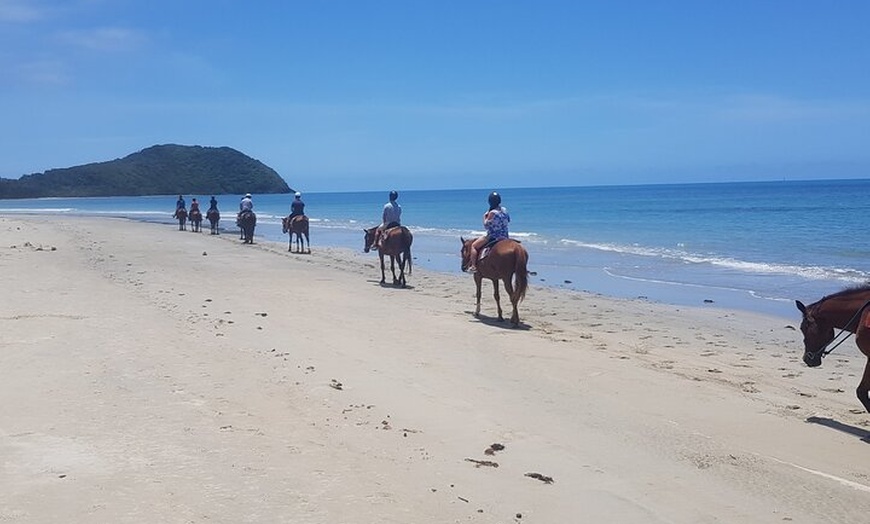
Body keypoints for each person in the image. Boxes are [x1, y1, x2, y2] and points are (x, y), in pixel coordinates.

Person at [468, 191, 510, 273]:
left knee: (474, 246)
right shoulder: (504, 210)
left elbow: (486, 226)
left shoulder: (492, 213)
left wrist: (484, 217)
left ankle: (473, 266)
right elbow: (508, 220)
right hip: (505, 236)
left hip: (493, 236)